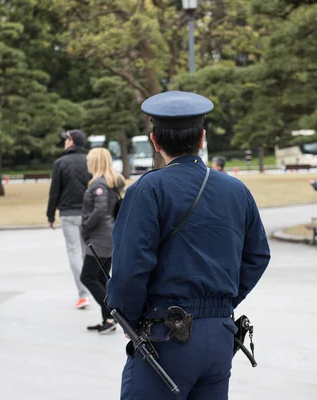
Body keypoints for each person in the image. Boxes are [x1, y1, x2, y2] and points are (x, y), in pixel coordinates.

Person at [106, 91, 271, 399]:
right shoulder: (236, 189)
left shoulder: (148, 189)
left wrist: (128, 315)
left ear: (155, 141)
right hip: (220, 331)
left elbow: (130, 267)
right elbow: (258, 255)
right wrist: (224, 302)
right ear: (202, 138)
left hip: (165, 333)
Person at [80, 147, 124, 334]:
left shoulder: (100, 184)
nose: (87, 164)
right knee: (101, 278)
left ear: (96, 162)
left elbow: (100, 210)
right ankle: (106, 318)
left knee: (88, 277)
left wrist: (85, 226)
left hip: (100, 237)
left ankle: (112, 315)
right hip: (108, 235)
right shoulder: (111, 181)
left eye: (90, 160)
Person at [47, 129, 92, 309]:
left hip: (68, 213)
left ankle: (83, 293)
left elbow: (54, 191)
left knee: (74, 252)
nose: (64, 142)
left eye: (66, 139)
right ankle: (92, 289)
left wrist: (50, 215)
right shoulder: (89, 160)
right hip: (88, 212)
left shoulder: (60, 163)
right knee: (86, 252)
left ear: (71, 142)